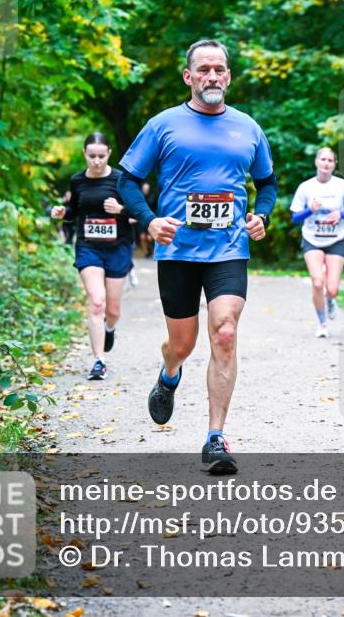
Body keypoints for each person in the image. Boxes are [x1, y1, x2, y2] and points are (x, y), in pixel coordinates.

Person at [117, 39, 277, 475]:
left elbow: (268, 184)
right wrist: (149, 221)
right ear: (188, 77)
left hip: (228, 249)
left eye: (219, 69)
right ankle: (169, 373)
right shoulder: (164, 125)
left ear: (228, 76)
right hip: (178, 251)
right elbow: (127, 180)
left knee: (224, 330)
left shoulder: (248, 128)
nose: (212, 76)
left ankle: (215, 437)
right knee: (183, 344)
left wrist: (261, 214)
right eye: (203, 69)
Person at [50, 133, 133, 380]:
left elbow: (141, 211)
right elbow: (75, 209)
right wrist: (63, 212)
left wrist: (120, 209)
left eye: (101, 156)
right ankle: (99, 361)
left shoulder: (121, 180)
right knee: (97, 302)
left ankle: (110, 328)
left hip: (118, 247)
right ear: (84, 154)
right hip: (88, 247)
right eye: (91, 156)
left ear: (109, 154)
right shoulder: (77, 180)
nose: (96, 161)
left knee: (113, 310)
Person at [290, 147, 344, 338]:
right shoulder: (306, 187)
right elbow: (295, 217)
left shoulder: (342, 186)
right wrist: (309, 210)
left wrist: (342, 214)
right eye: (323, 159)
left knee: (333, 288)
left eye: (330, 160)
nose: (327, 163)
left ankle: (331, 299)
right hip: (312, 239)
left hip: (336, 239)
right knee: (318, 282)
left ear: (334, 164)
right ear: (316, 162)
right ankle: (322, 324)